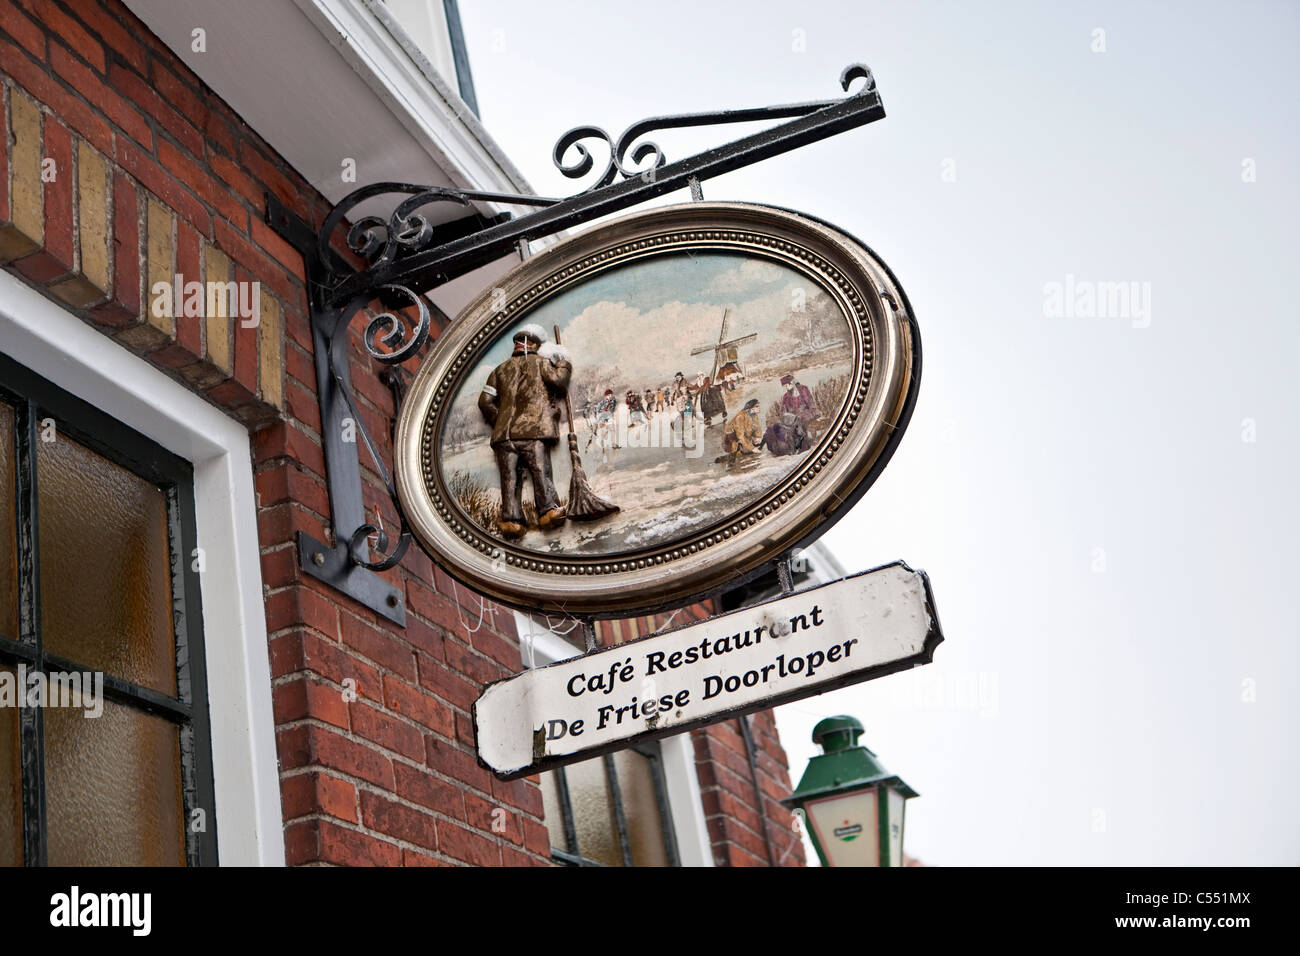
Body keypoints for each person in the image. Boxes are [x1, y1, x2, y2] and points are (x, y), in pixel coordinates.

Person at [477, 324, 570, 539]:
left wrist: (500, 419)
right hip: (533, 431)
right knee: (540, 472)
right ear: (536, 345)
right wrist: (563, 362)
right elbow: (559, 382)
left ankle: (511, 521)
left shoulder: (499, 370)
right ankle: (548, 512)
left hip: (504, 435)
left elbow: (485, 401)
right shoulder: (541, 364)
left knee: (509, 478)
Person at [722, 398, 763, 463]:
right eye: (756, 406)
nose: (759, 408)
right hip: (733, 439)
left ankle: (742, 451)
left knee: (752, 450)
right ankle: (731, 459)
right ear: (751, 408)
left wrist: (758, 437)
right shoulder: (740, 417)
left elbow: (757, 427)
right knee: (737, 448)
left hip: (745, 436)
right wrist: (752, 448)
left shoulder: (754, 415)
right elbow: (740, 436)